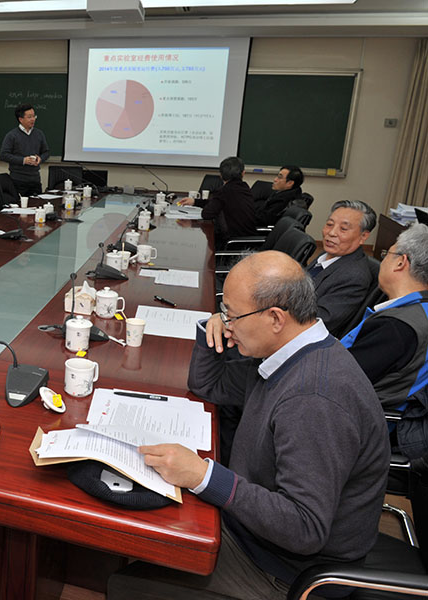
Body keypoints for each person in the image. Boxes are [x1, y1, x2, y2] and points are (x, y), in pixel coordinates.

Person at [109, 251, 389, 600]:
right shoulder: (288, 352)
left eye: (232, 314)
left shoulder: (313, 398)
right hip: (253, 532)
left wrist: (204, 476)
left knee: (125, 584)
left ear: (275, 318)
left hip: (284, 572)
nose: (227, 323)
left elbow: (305, 527)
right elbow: (209, 385)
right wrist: (211, 332)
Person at [340, 223, 428, 457]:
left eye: (387, 254)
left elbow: (338, 380)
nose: (382, 260)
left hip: (363, 425)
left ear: (401, 262)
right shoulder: (417, 311)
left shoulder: (397, 327)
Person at [307, 199, 376, 337]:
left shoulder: (354, 277)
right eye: (329, 224)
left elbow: (320, 321)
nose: (331, 233)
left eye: (343, 229)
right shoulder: (326, 255)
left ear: (363, 236)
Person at [178, 156, 257, 244]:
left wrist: (192, 224)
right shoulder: (245, 188)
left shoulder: (224, 191)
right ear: (243, 173)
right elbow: (218, 203)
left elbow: (206, 214)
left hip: (233, 243)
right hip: (249, 240)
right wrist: (195, 202)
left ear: (221, 175)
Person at [0, 103, 50, 197]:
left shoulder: (39, 134)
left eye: (34, 116)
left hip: (35, 180)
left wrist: (40, 159)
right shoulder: (12, 135)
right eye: (29, 117)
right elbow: (3, 155)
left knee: (37, 204)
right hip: (18, 181)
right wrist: (23, 160)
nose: (33, 119)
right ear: (21, 119)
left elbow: (46, 152)